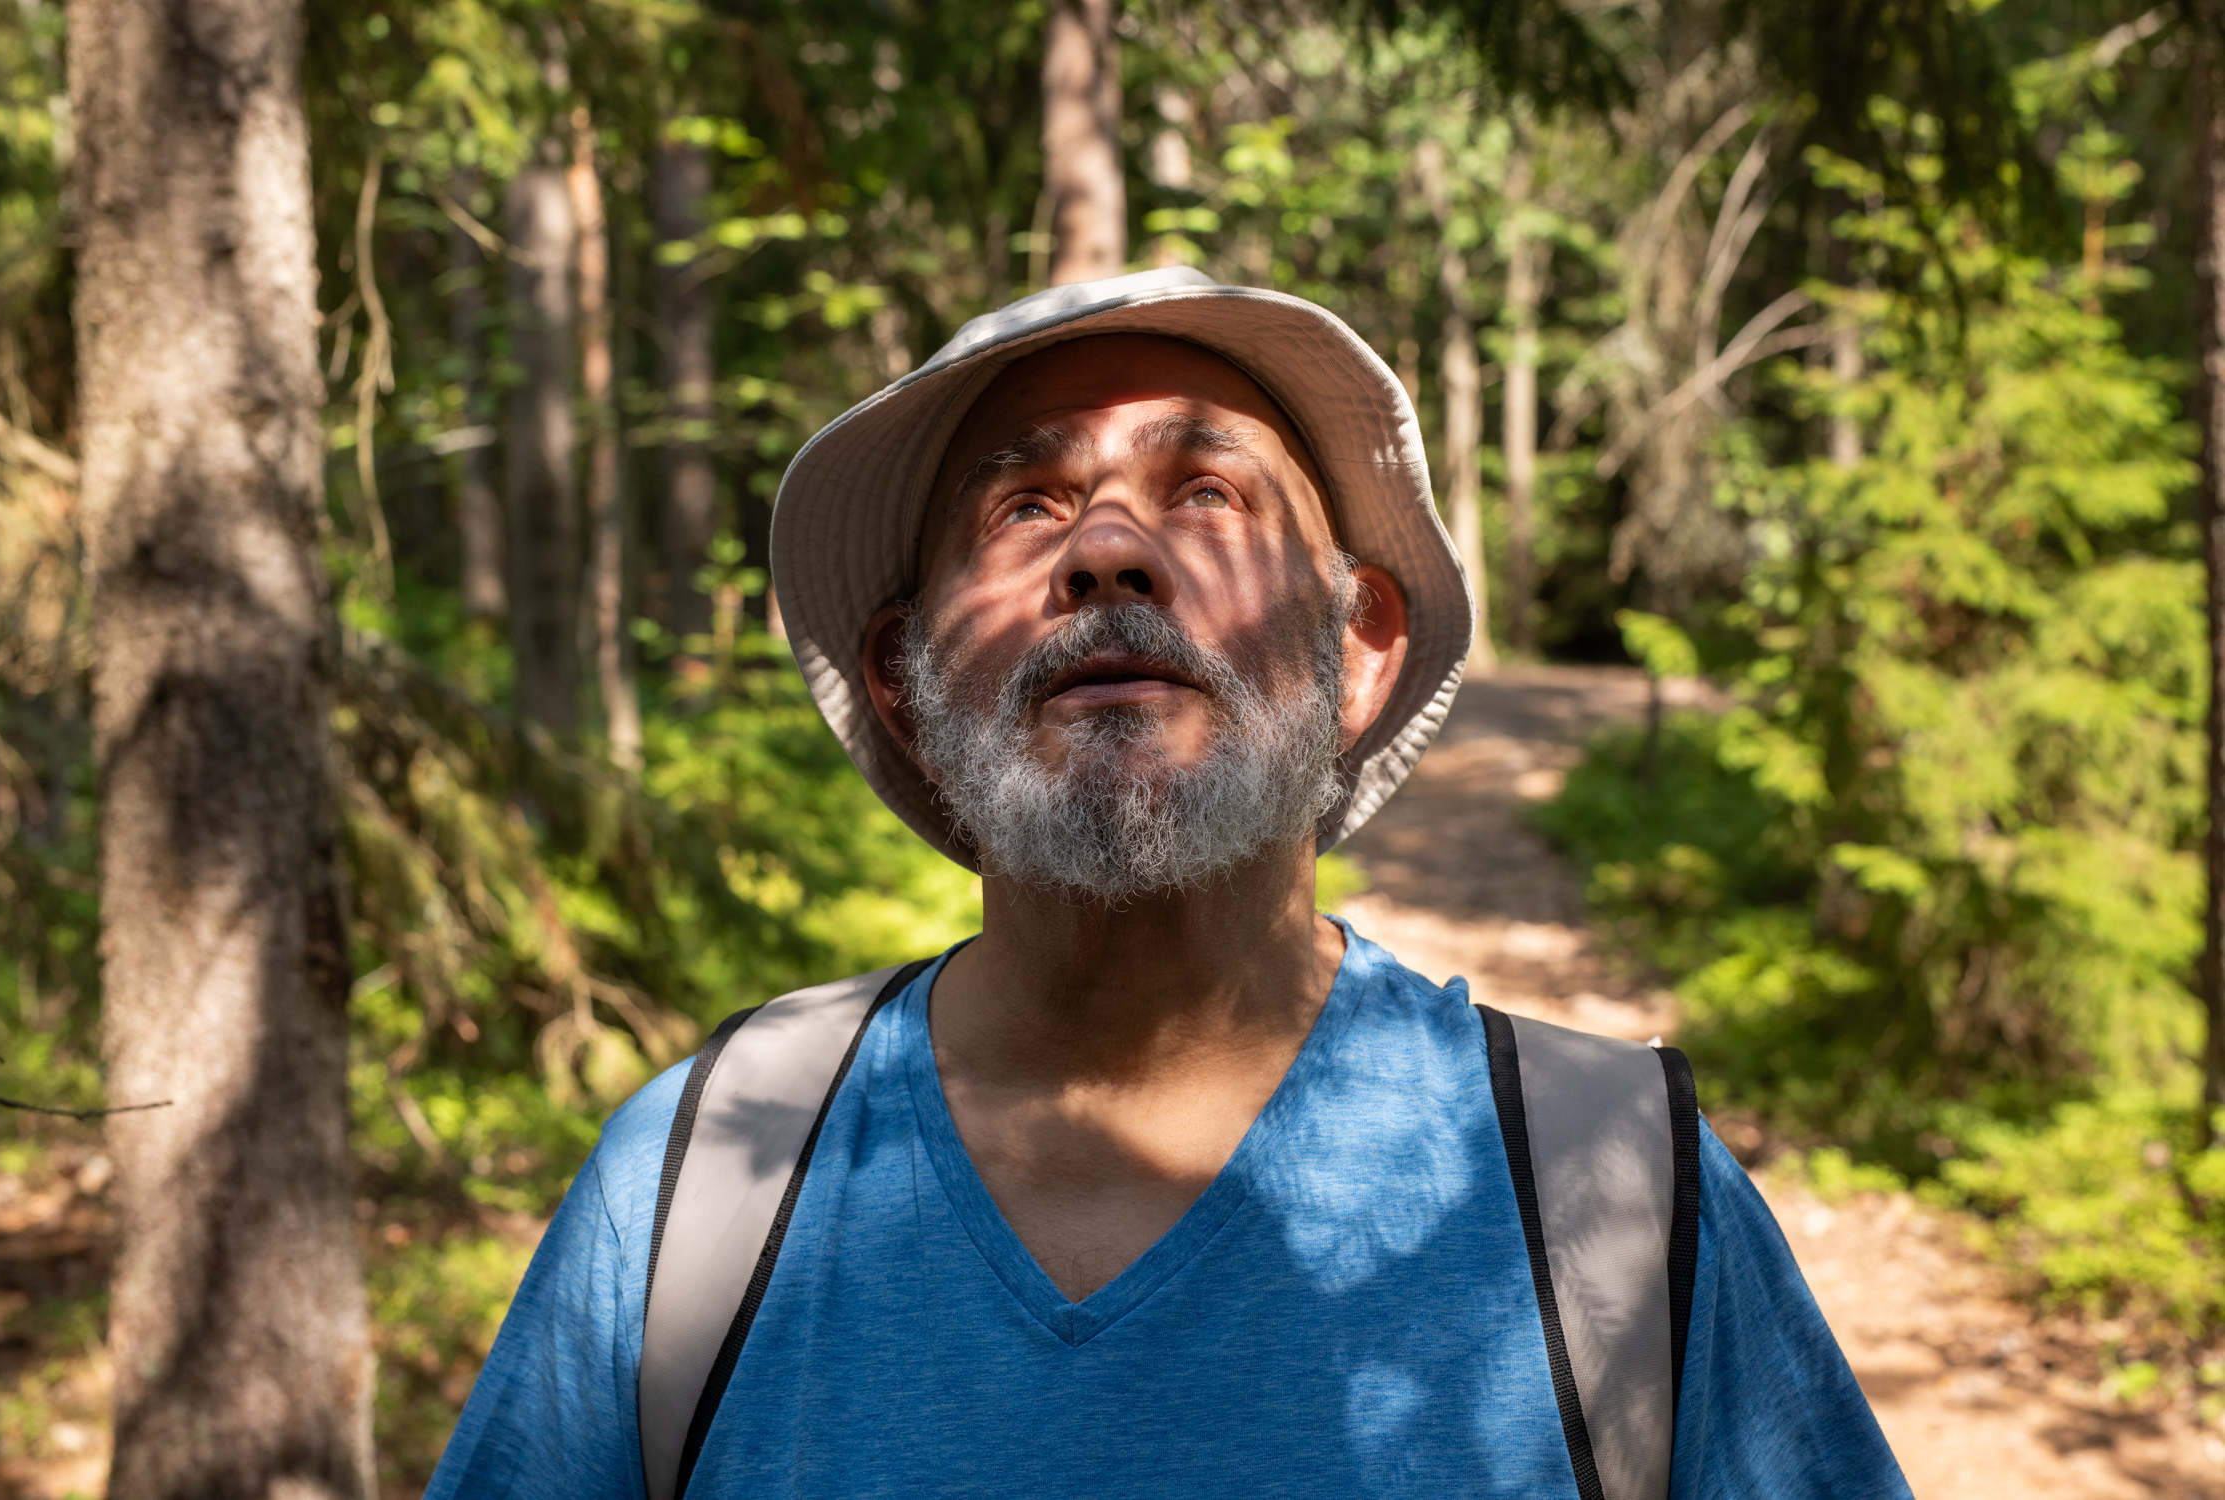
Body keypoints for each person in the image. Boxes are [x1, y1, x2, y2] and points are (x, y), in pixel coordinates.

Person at [425, 267, 1910, 1499]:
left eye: (1207, 493)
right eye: (1026, 508)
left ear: (1358, 651)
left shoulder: (1612, 1186)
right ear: (903, 681)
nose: (1109, 550)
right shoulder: (701, 1188)